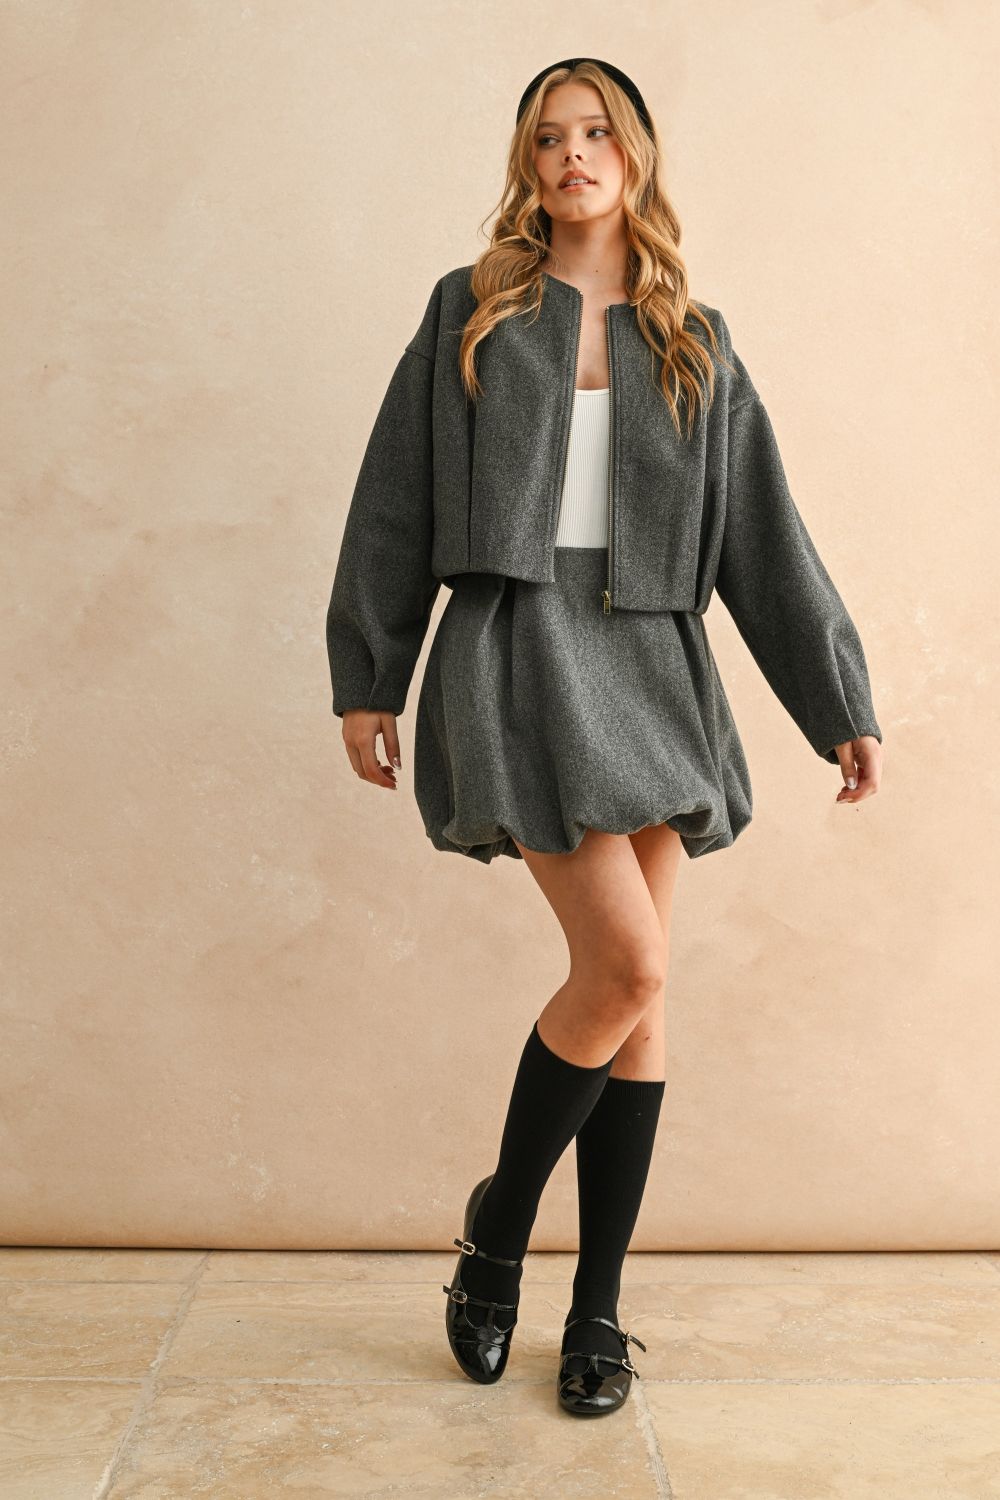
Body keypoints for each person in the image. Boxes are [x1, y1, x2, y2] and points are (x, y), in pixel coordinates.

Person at [325, 58, 884, 1417]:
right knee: (624, 963)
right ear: (527, 164)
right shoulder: (473, 310)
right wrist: (369, 674)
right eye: (548, 138)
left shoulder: (696, 338)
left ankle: (597, 1312)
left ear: (633, 155)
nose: (572, 155)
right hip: (517, 650)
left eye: (595, 133)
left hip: (652, 658)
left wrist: (837, 702)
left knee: (642, 998)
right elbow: (394, 496)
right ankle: (500, 1232)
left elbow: (764, 535)